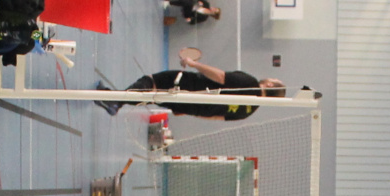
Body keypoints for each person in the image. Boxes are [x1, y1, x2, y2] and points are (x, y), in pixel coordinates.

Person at [98, 54, 290, 122]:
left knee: (151, 82)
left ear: (270, 85)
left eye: (273, 79)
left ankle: (116, 102)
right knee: (152, 96)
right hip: (191, 106)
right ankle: (114, 99)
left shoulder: (250, 83)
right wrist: (190, 112)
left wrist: (193, 63)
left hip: (192, 86)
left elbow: (220, 77)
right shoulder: (249, 111)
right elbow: (216, 117)